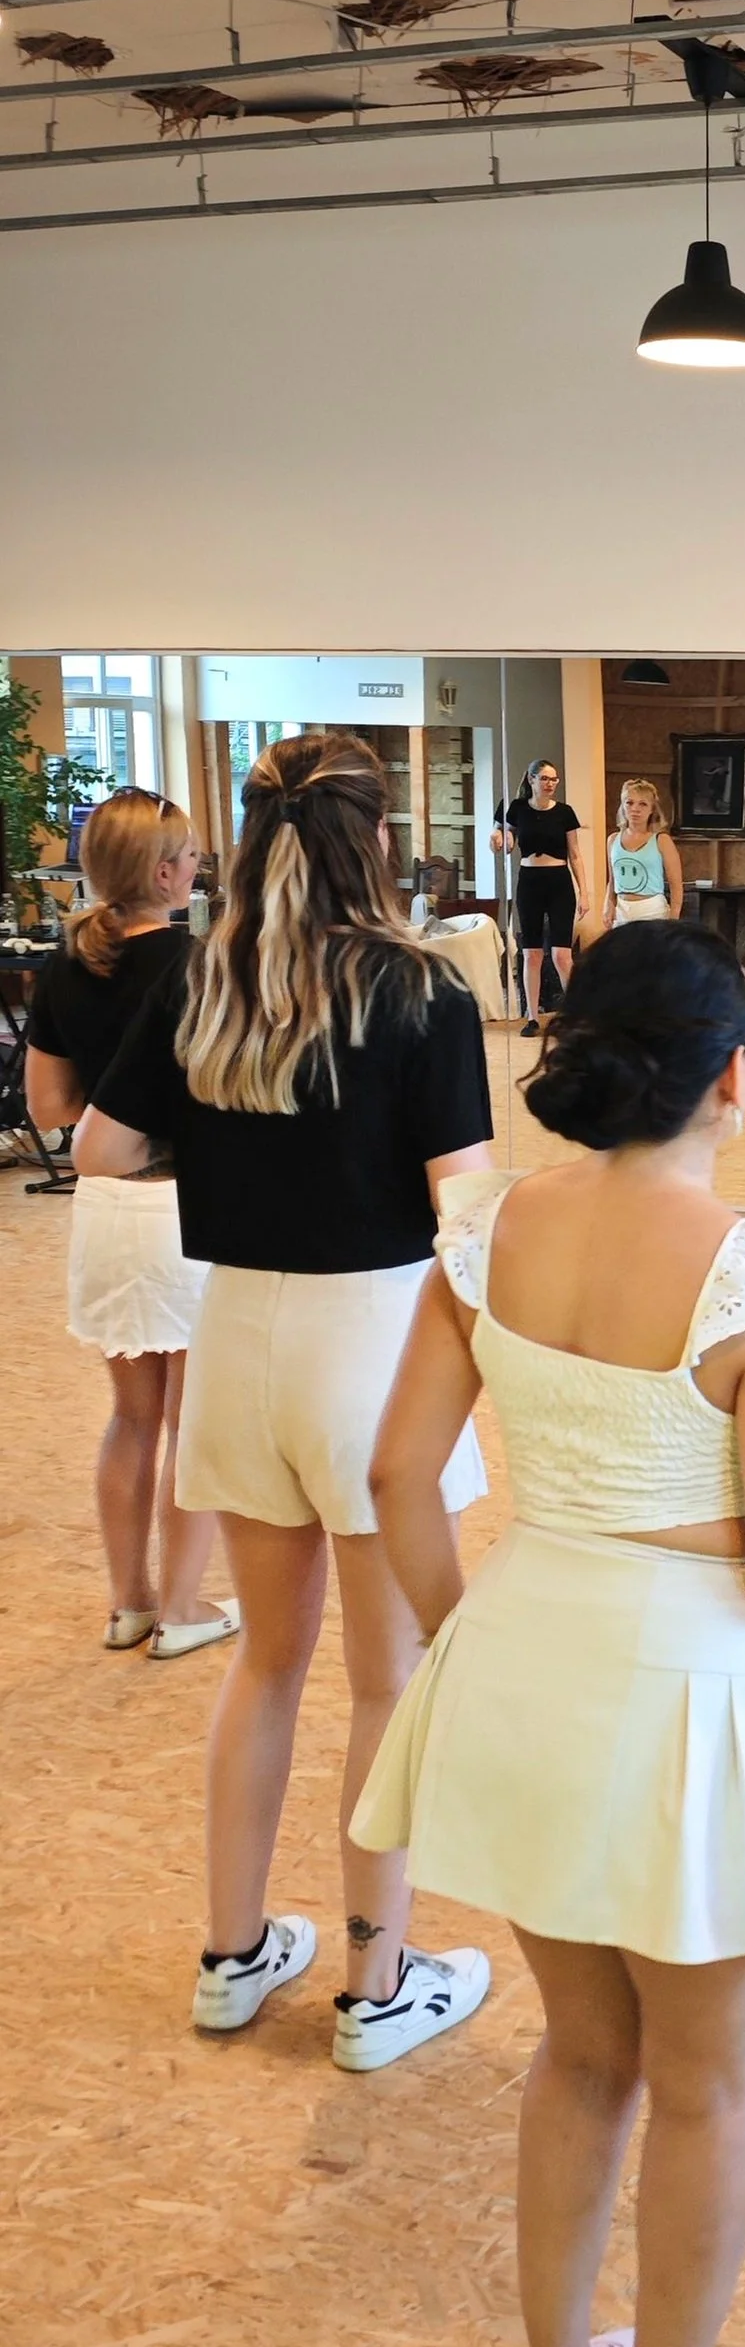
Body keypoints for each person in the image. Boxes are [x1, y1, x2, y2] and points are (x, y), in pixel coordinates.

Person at [354, 922, 745, 2347]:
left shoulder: (486, 1230)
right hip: (678, 1682)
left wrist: (466, 1638)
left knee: (581, 2051)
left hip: (526, 1648)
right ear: (731, 1076)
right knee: (709, 2084)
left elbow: (400, 1474)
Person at [74, 731, 493, 2069]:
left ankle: (233, 1951)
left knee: (266, 1660)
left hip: (236, 1333)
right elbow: (466, 1204)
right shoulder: (419, 988)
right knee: (385, 1680)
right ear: (379, 837)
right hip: (371, 1344)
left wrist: (228, 1148)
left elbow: (99, 1146)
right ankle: (378, 1981)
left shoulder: (205, 975)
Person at [24, 788, 232, 1660]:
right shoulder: (201, 963)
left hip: (106, 1209)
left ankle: (129, 1603)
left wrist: (113, 1119)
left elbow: (48, 1105)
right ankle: (183, 1607)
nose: (198, 867)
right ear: (165, 873)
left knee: (132, 1418)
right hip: (187, 1208)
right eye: (190, 855)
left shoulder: (65, 967)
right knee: (194, 1421)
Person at [503, 759, 586, 1038]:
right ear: (532, 779)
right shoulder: (517, 809)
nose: (550, 784)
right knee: (532, 953)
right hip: (529, 882)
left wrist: (584, 893)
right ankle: (532, 1017)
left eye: (554, 779)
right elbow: (507, 840)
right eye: (545, 778)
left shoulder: (565, 812)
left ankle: (576, 1014)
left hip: (559, 881)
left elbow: (575, 854)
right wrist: (500, 839)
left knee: (562, 954)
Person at [603, 779, 684, 928]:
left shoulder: (662, 840)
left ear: (652, 809)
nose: (635, 809)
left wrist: (673, 920)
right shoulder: (612, 840)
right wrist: (608, 905)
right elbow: (612, 880)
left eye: (643, 804)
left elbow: (676, 885)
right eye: (629, 803)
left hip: (652, 910)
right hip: (622, 910)